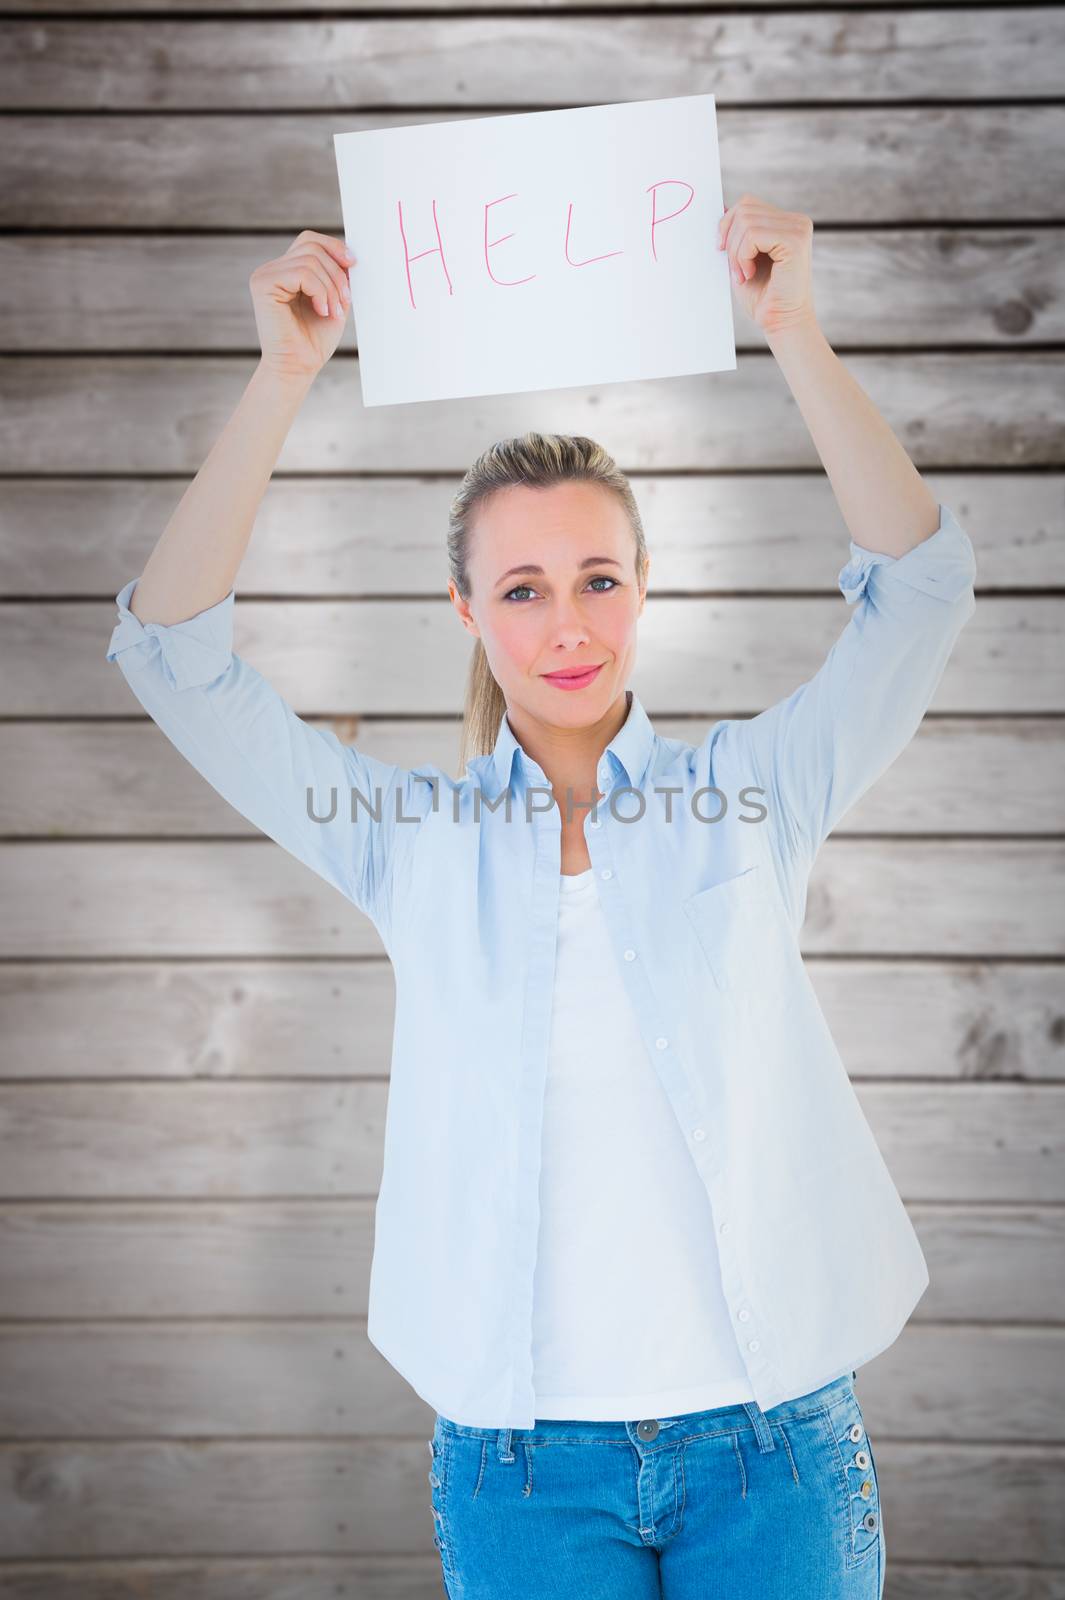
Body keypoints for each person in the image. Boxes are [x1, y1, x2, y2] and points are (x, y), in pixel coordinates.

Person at [106, 198, 977, 1599]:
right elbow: (172, 662)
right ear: (464, 612)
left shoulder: (752, 794)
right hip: (520, 1475)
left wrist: (791, 327)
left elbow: (921, 592)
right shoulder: (409, 837)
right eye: (520, 589)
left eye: (594, 579)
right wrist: (281, 379)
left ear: (644, 591)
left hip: (773, 1459)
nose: (564, 623)